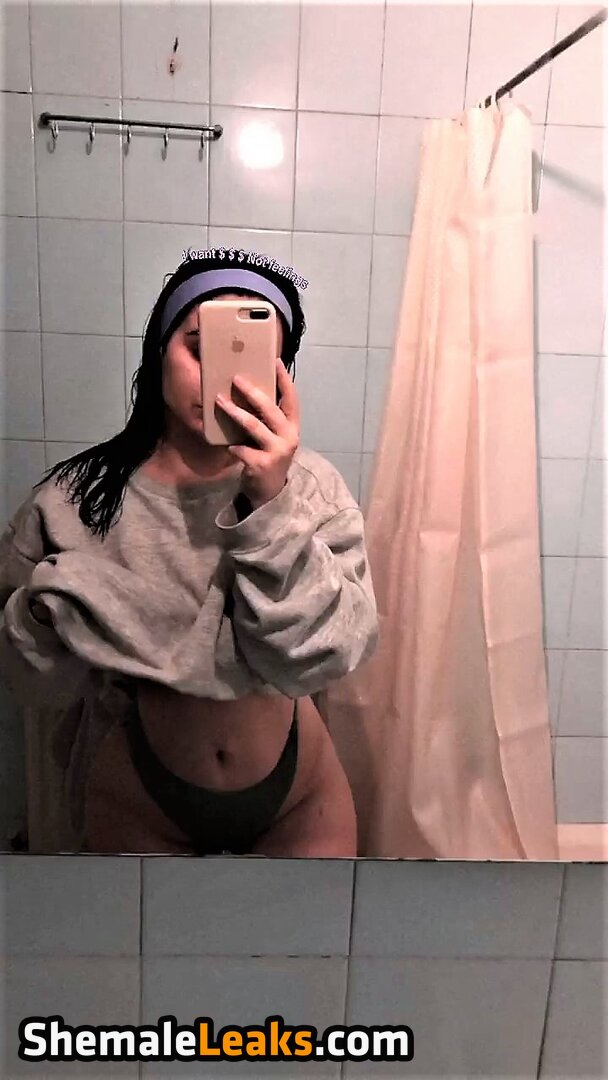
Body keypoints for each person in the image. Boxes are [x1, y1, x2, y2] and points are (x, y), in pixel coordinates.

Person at [0, 249, 379, 857]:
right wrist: (49, 611)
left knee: (320, 926)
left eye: (250, 357)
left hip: (299, 796)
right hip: (138, 794)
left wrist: (273, 503)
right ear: (159, 351)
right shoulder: (77, 498)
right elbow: (27, 680)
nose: (218, 377)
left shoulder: (311, 488)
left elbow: (326, 656)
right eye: (199, 349)